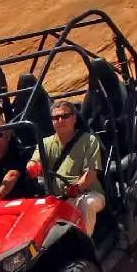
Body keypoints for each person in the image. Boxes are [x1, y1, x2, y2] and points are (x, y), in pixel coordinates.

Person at [40, 101, 106, 237]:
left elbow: (90, 175)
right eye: (56, 118)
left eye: (65, 116)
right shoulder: (45, 144)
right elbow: (34, 161)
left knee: (86, 205)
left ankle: (84, 248)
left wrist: (76, 188)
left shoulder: (89, 140)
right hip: (57, 198)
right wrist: (33, 167)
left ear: (74, 118)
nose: (60, 120)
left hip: (87, 193)